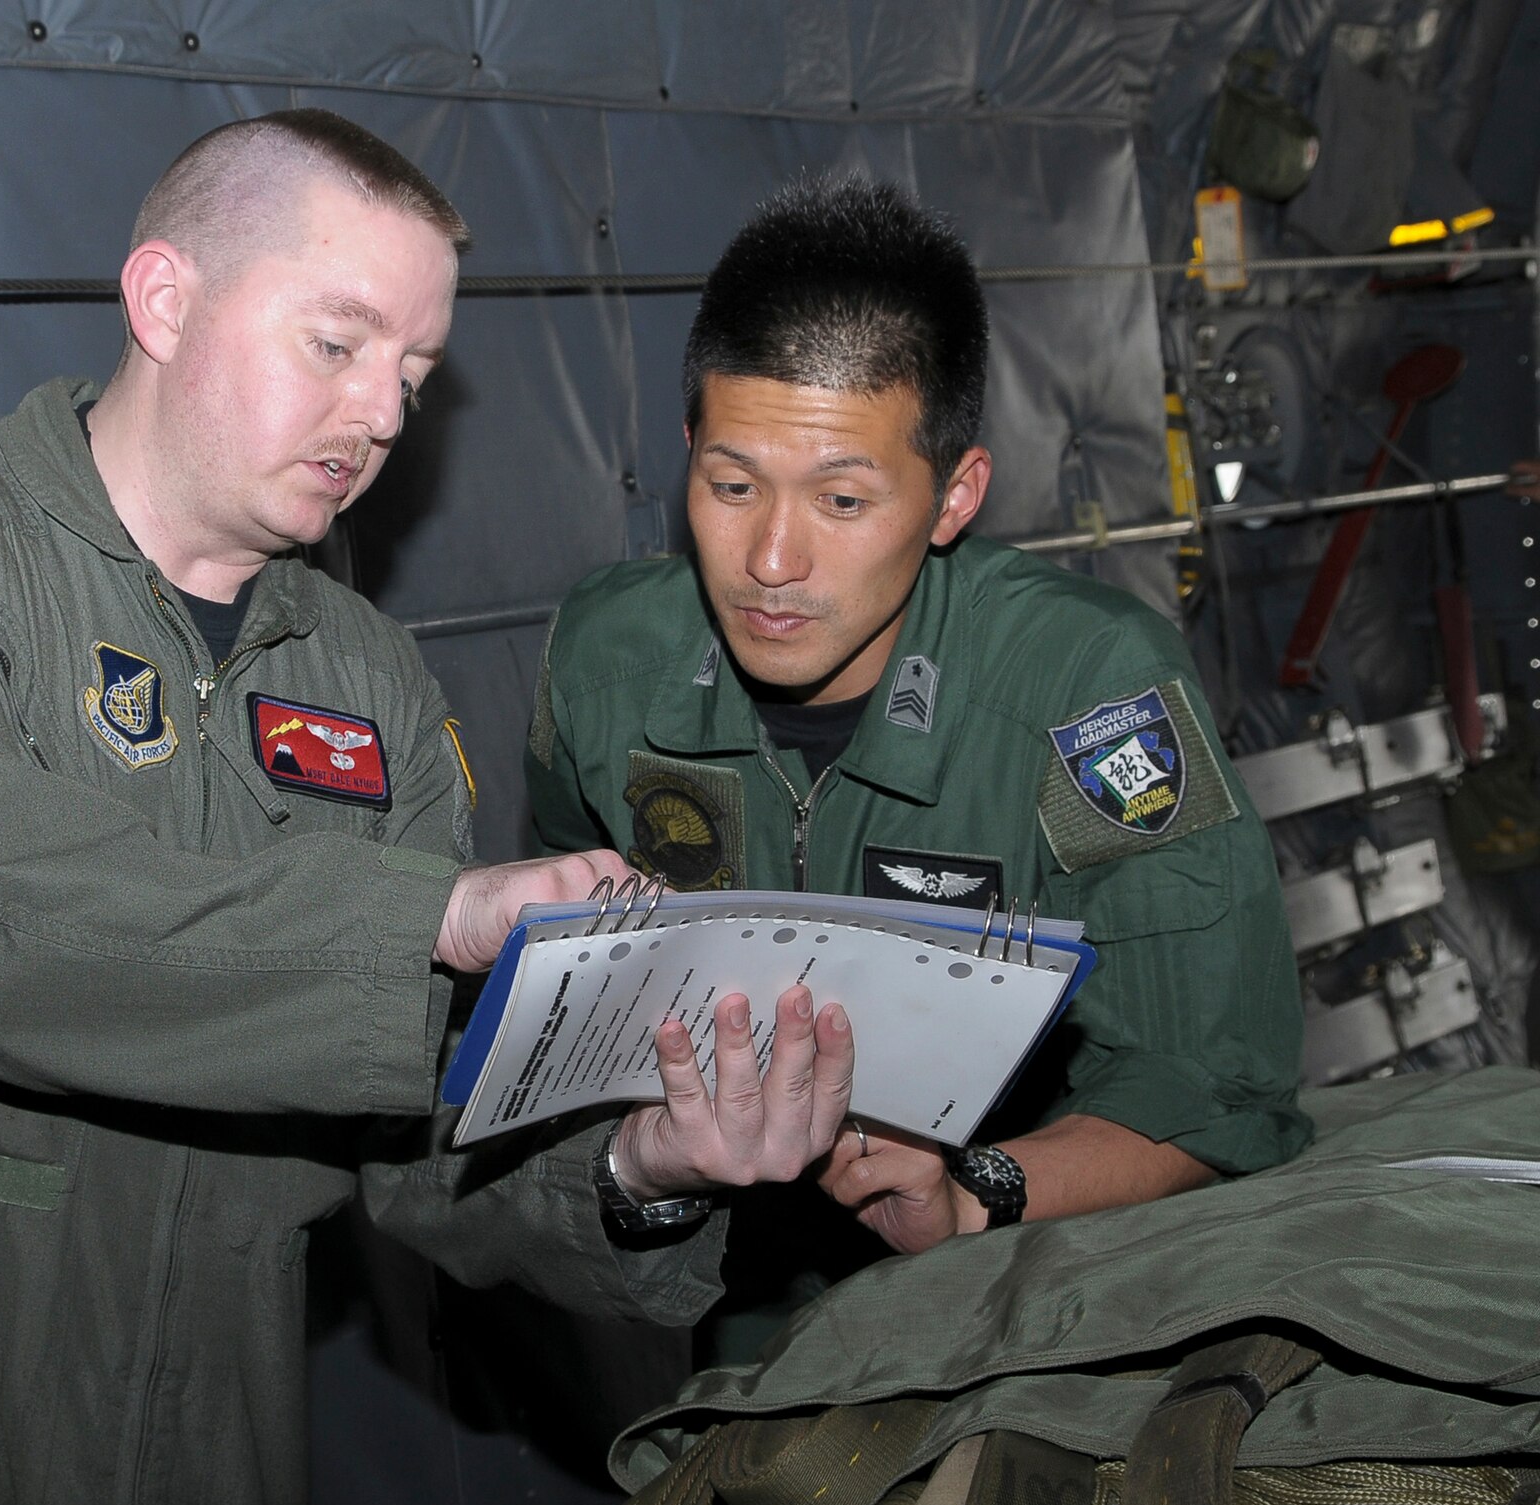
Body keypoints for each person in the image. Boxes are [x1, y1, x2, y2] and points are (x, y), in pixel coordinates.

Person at [0, 111, 854, 1505]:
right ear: (165, 299)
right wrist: (437, 912)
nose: (379, 415)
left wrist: (643, 1164)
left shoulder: (360, 675)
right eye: (339, 345)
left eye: (414, 379)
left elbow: (422, 1139)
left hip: (204, 1432)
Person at [526, 174, 1310, 1360]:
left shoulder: (1083, 692)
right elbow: (555, 995)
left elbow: (1212, 1085)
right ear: (685, 449)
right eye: (729, 486)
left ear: (953, 495)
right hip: (743, 1327)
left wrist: (978, 1190)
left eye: (841, 498)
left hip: (1046, 1306)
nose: (770, 559)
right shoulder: (604, 666)